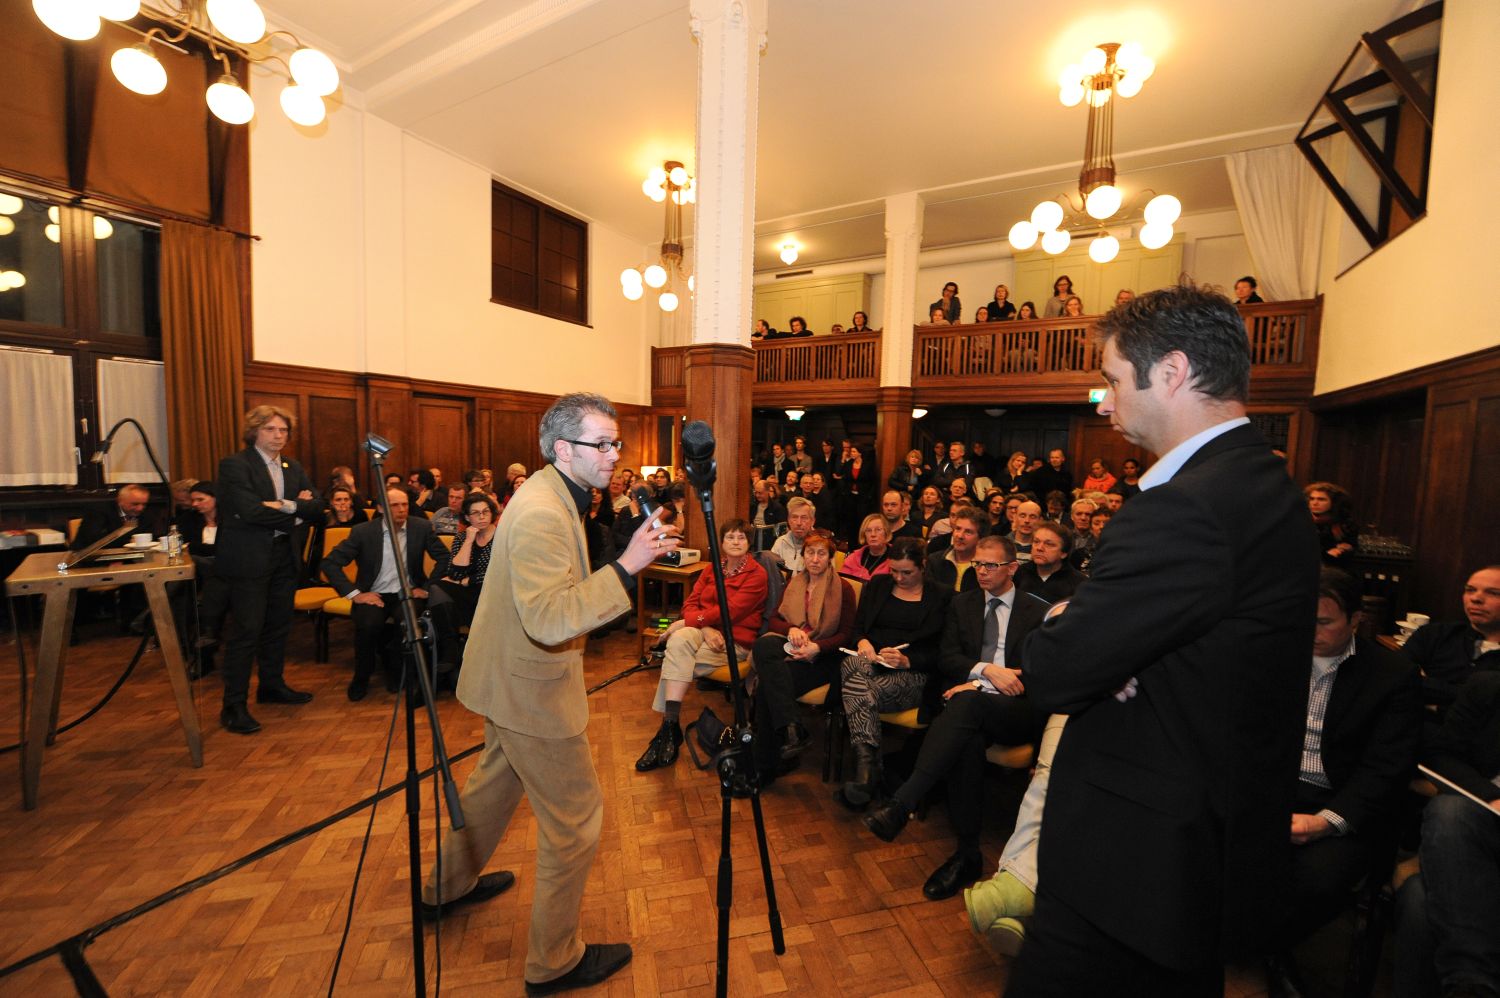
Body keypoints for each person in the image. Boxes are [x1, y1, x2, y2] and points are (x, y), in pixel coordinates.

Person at [1005, 283, 1320, 996]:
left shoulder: (1185, 507)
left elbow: (1054, 671)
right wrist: (1103, 643)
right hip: (1202, 851)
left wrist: (1069, 627)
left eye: (1113, 379)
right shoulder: (1265, 482)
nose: (1106, 402)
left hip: (1133, 865)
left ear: (1172, 372)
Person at [422, 392, 677, 995]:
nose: (615, 454)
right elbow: (548, 618)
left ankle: (445, 887)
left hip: (509, 681)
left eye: (616, 442)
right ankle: (554, 961)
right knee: (577, 823)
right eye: (603, 443)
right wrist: (627, 566)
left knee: (489, 791)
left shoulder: (556, 494)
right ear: (562, 448)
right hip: (530, 691)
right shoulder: (541, 511)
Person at [1262, 567, 1421, 993]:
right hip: (1273, 791)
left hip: (1344, 802)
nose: (1309, 631)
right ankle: (1257, 957)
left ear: (1355, 621)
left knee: (1312, 880)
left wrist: (1325, 821)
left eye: (1324, 622)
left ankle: (1257, 958)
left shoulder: (1392, 674)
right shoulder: (1273, 658)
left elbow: (1386, 769)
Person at [863, 535, 1048, 899]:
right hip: (970, 703)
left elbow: (1043, 670)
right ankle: (967, 853)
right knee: (967, 736)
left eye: (991, 565)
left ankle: (904, 802)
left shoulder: (1037, 610)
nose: (981, 570)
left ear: (1012, 568)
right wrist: (983, 672)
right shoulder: (962, 604)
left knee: (966, 707)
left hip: (1016, 708)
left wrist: (994, 679)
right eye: (978, 563)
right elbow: (947, 657)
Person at [213, 405, 326, 735]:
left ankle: (271, 686)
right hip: (248, 559)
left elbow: (318, 508)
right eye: (271, 430)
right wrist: (298, 511)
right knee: (247, 631)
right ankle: (233, 705)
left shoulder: (293, 466)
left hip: (283, 555)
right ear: (254, 432)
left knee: (278, 626)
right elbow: (248, 511)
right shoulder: (236, 464)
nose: (278, 436)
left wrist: (286, 506)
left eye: (283, 431)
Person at [635, 519, 767, 772]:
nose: (736, 542)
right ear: (722, 542)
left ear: (749, 543)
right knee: (680, 640)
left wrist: (688, 621)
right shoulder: (712, 568)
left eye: (741, 537)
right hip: (706, 632)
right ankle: (670, 727)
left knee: (675, 655)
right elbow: (691, 602)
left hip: (735, 641)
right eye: (730, 537)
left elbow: (731, 612)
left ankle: (667, 729)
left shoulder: (757, 575)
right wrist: (702, 627)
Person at [835, 537, 949, 809]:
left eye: (906, 572)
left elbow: (944, 651)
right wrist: (862, 641)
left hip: (915, 674)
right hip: (870, 665)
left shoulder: (942, 596)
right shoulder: (878, 585)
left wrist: (908, 660)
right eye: (894, 571)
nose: (898, 578)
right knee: (852, 666)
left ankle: (866, 771)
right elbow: (858, 628)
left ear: (923, 566)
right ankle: (871, 773)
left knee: (859, 693)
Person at [320, 486, 451, 700]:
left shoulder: (421, 527)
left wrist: (426, 588)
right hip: (373, 594)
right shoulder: (363, 532)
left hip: (407, 593)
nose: (401, 510)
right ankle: (361, 677)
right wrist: (355, 594)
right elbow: (330, 563)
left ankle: (398, 675)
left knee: (408, 623)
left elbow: (444, 558)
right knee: (368, 626)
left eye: (405, 504)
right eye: (395, 505)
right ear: (380, 508)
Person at [1415, 669, 1500, 998]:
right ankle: (1471, 986)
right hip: (1481, 829)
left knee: (1417, 902)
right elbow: (1441, 754)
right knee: (1450, 812)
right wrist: (1491, 797)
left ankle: (1469, 983)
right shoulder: (1488, 687)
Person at [750, 530, 856, 778]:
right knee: (764, 646)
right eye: (810, 553)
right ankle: (792, 727)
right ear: (803, 556)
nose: (815, 559)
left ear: (830, 558)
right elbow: (774, 621)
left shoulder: (844, 588)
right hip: (794, 644)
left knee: (768, 684)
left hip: (824, 655)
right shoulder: (795, 583)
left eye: (821, 554)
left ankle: (766, 763)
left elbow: (847, 635)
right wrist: (792, 629)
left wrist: (817, 647)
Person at [1403, 565, 1500, 716]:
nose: (1475, 598)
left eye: (1494, 593)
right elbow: (1399, 680)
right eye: (1470, 590)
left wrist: (1433, 700)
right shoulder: (1434, 634)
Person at [427, 491, 500, 677]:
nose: (482, 517)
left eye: (485, 511)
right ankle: (451, 646)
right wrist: (469, 540)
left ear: (492, 513)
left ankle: (451, 654)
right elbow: (454, 572)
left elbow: (500, 573)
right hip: (468, 593)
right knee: (436, 587)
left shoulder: (502, 536)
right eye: (476, 513)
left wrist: (468, 580)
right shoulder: (461, 538)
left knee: (442, 597)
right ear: (467, 517)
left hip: (493, 594)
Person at [1013, 522, 1084, 604]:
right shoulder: (1020, 572)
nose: (1039, 548)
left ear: (1064, 553)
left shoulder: (1079, 583)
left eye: (1049, 544)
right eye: (1036, 542)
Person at [71, 482, 157, 549]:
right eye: (135, 504)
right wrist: (128, 542)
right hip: (89, 560)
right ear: (120, 501)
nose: (140, 508)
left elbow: (152, 537)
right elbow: (93, 540)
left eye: (144, 504)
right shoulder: (98, 511)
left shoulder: (147, 514)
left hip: (130, 559)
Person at [925, 506, 983, 593]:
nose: (960, 536)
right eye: (958, 529)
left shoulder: (985, 567)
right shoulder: (934, 561)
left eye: (968, 532)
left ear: (980, 538)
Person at [1304, 480, 1359, 565]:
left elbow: (1351, 545)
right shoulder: (1300, 520)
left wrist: (1345, 548)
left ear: (1334, 503)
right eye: (1312, 499)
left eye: (1321, 499)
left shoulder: (1344, 523)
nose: (1314, 503)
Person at [842, 513, 895, 582]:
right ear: (864, 534)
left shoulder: (896, 558)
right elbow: (843, 583)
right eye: (869, 530)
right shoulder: (853, 558)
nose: (873, 534)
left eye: (878, 530)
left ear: (886, 532)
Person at [771, 496, 816, 572]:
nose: (799, 523)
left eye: (804, 518)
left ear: (812, 521)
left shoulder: (822, 546)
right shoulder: (780, 543)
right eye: (794, 517)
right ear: (788, 520)